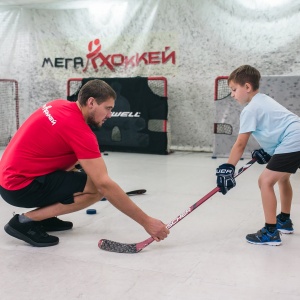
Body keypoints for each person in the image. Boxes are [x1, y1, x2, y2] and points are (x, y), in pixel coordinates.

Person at [0, 79, 170, 247]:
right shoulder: (79, 131)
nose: (110, 115)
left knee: (81, 176)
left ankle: (45, 218)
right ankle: (25, 221)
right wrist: (147, 222)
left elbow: (52, 153)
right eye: (108, 108)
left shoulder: (58, 105)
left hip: (8, 177)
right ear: (91, 102)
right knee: (95, 190)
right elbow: (103, 184)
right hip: (19, 186)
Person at [215, 65, 300, 246]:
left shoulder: (251, 109)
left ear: (247, 87)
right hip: (294, 138)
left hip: (293, 141)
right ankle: (284, 220)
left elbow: (240, 144)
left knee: (265, 181)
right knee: (283, 178)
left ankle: (270, 232)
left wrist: (228, 168)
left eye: (234, 89)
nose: (232, 94)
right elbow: (277, 128)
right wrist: (270, 152)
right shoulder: (264, 100)